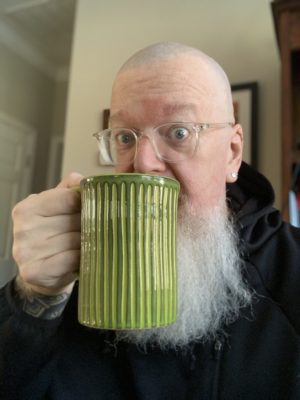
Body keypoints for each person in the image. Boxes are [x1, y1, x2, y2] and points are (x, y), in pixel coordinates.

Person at [0, 42, 299, 400]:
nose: (142, 163)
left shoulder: (293, 272)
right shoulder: (77, 273)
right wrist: (32, 301)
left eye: (179, 133)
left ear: (232, 153)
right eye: (125, 137)